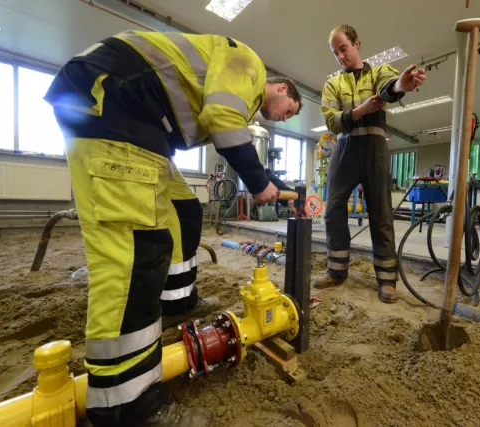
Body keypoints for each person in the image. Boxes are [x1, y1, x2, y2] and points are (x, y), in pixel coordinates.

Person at [44, 30, 302, 427]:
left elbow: (230, 133)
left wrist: (273, 185)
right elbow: (221, 120)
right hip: (115, 105)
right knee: (134, 256)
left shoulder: (240, 94)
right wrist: (259, 183)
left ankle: (177, 303)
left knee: (184, 209)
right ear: (281, 87)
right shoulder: (249, 64)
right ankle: (124, 404)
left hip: (137, 119)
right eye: (289, 110)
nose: (285, 117)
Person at [316, 25, 425, 303]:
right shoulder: (333, 84)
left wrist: (402, 83)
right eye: (335, 53)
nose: (340, 56)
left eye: (344, 48)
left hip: (375, 147)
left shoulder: (378, 71)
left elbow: (390, 87)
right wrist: (360, 110)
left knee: (381, 211)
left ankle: (387, 280)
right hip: (345, 147)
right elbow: (331, 120)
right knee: (333, 208)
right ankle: (337, 270)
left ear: (356, 44)